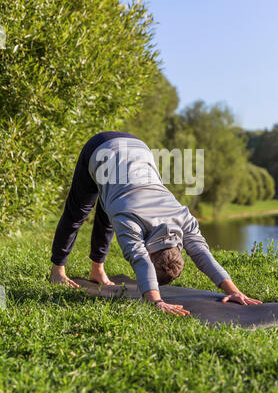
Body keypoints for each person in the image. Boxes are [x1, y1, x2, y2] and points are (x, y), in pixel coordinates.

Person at [50, 131, 262, 316]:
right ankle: (57, 272)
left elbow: (202, 253)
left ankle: (97, 271)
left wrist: (234, 290)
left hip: (138, 147)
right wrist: (155, 300)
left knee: (112, 208)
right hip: (100, 147)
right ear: (152, 255)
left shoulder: (182, 216)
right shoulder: (132, 221)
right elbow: (140, 259)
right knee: (78, 211)